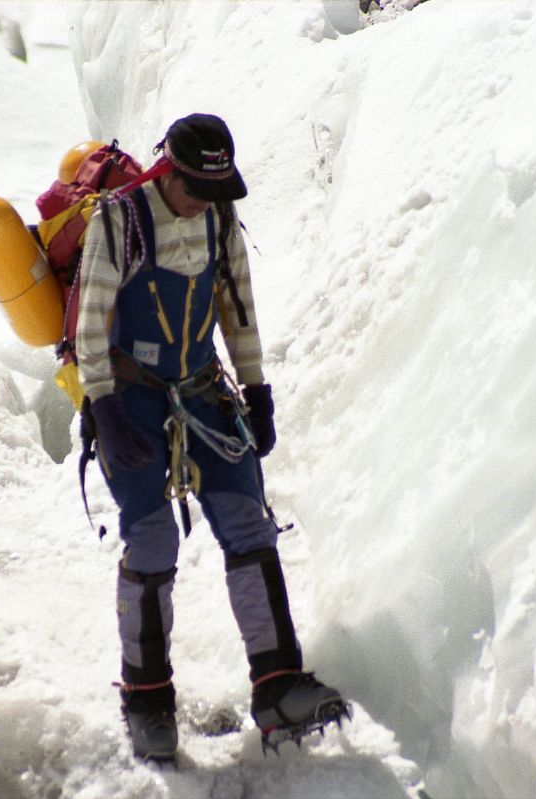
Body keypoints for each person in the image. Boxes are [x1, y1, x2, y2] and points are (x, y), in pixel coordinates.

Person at [75, 113, 347, 761]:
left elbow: (237, 308)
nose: (203, 195)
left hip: (202, 389)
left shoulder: (218, 217)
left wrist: (255, 390)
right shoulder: (118, 221)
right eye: (193, 181)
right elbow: (89, 321)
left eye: (214, 185)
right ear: (167, 167)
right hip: (127, 395)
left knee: (248, 523)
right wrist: (104, 411)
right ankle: (146, 699)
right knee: (151, 536)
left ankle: (277, 686)